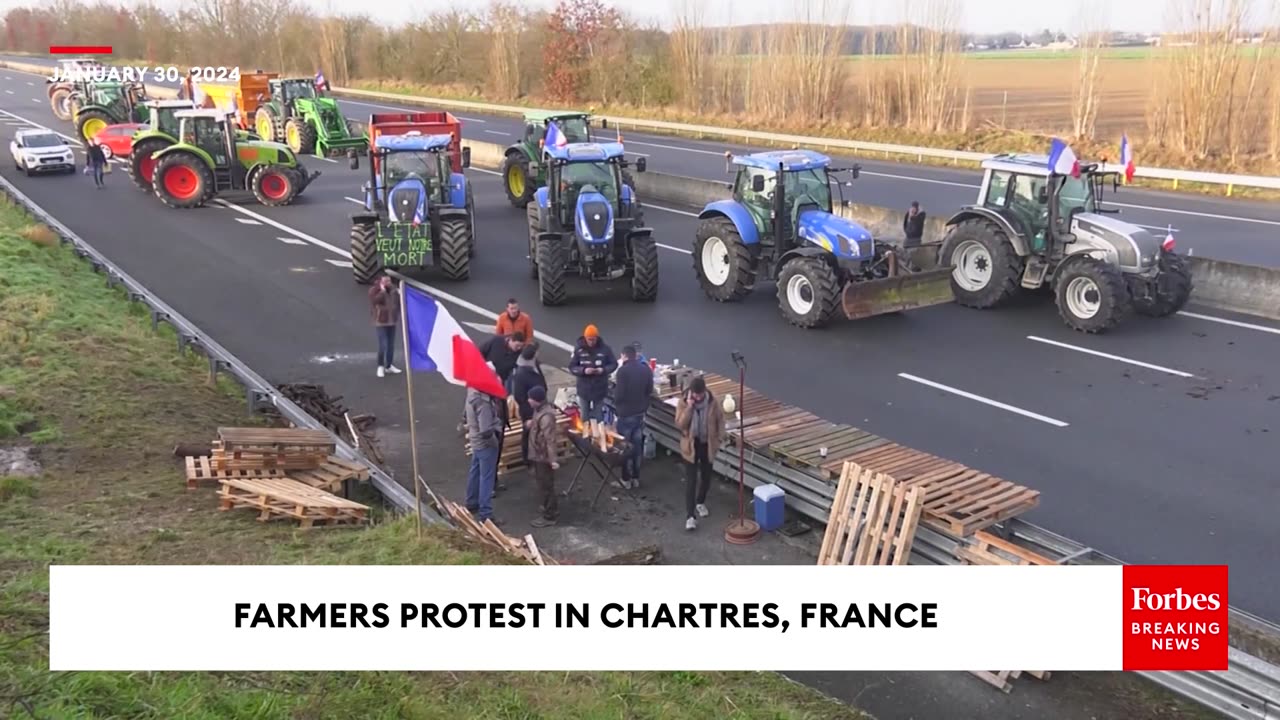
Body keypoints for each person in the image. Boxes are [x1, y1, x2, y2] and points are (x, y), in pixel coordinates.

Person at [674, 375, 724, 531]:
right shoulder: (683, 402)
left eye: (700, 394)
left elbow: (720, 420)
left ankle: (700, 502)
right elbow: (680, 423)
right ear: (691, 393)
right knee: (691, 481)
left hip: (707, 444)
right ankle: (690, 516)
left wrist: (720, 438)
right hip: (691, 445)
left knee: (707, 477)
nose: (698, 397)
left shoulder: (712, 402)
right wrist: (689, 407)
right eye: (695, 395)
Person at [612, 344, 653, 489]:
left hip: (626, 414)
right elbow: (649, 390)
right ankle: (636, 477)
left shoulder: (622, 371)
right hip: (640, 414)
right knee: (637, 447)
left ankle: (625, 479)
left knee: (625, 448)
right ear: (635, 355)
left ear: (624, 356)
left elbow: (619, 395)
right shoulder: (646, 369)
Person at [464, 384, 504, 524]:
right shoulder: (484, 403)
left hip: (475, 440)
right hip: (485, 444)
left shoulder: (471, 393)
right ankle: (486, 514)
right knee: (487, 478)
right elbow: (486, 430)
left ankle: (471, 502)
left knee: (475, 471)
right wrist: (495, 443)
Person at [525, 385, 561, 528]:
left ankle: (549, 516)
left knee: (545, 485)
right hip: (538, 454)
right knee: (543, 484)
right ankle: (550, 507)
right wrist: (532, 424)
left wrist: (553, 460)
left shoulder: (547, 417)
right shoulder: (539, 411)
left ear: (537, 401)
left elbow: (550, 440)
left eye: (530, 398)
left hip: (542, 456)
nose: (528, 400)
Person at [568, 325, 616, 422]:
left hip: (599, 388)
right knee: (584, 416)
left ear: (597, 338)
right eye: (589, 339)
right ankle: (585, 435)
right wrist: (583, 371)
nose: (591, 342)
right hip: (584, 389)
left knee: (598, 416)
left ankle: (598, 434)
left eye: (593, 339)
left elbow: (613, 364)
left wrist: (603, 370)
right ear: (585, 338)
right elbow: (572, 367)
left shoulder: (605, 349)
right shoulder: (579, 350)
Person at [510, 344, 547, 464]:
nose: (539, 354)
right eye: (537, 352)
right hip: (529, 410)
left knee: (539, 433)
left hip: (540, 406)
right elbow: (519, 396)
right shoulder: (521, 374)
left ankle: (539, 456)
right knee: (528, 433)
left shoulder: (534, 366)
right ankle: (528, 460)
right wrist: (529, 414)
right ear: (533, 355)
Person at [368, 275, 401, 378]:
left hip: (392, 321)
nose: (388, 282)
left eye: (389, 280)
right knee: (383, 345)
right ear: (380, 281)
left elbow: (398, 303)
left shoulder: (394, 290)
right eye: (385, 281)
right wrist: (382, 292)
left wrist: (398, 313)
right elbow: (374, 301)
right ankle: (380, 366)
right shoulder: (374, 290)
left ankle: (389, 365)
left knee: (391, 345)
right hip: (381, 322)